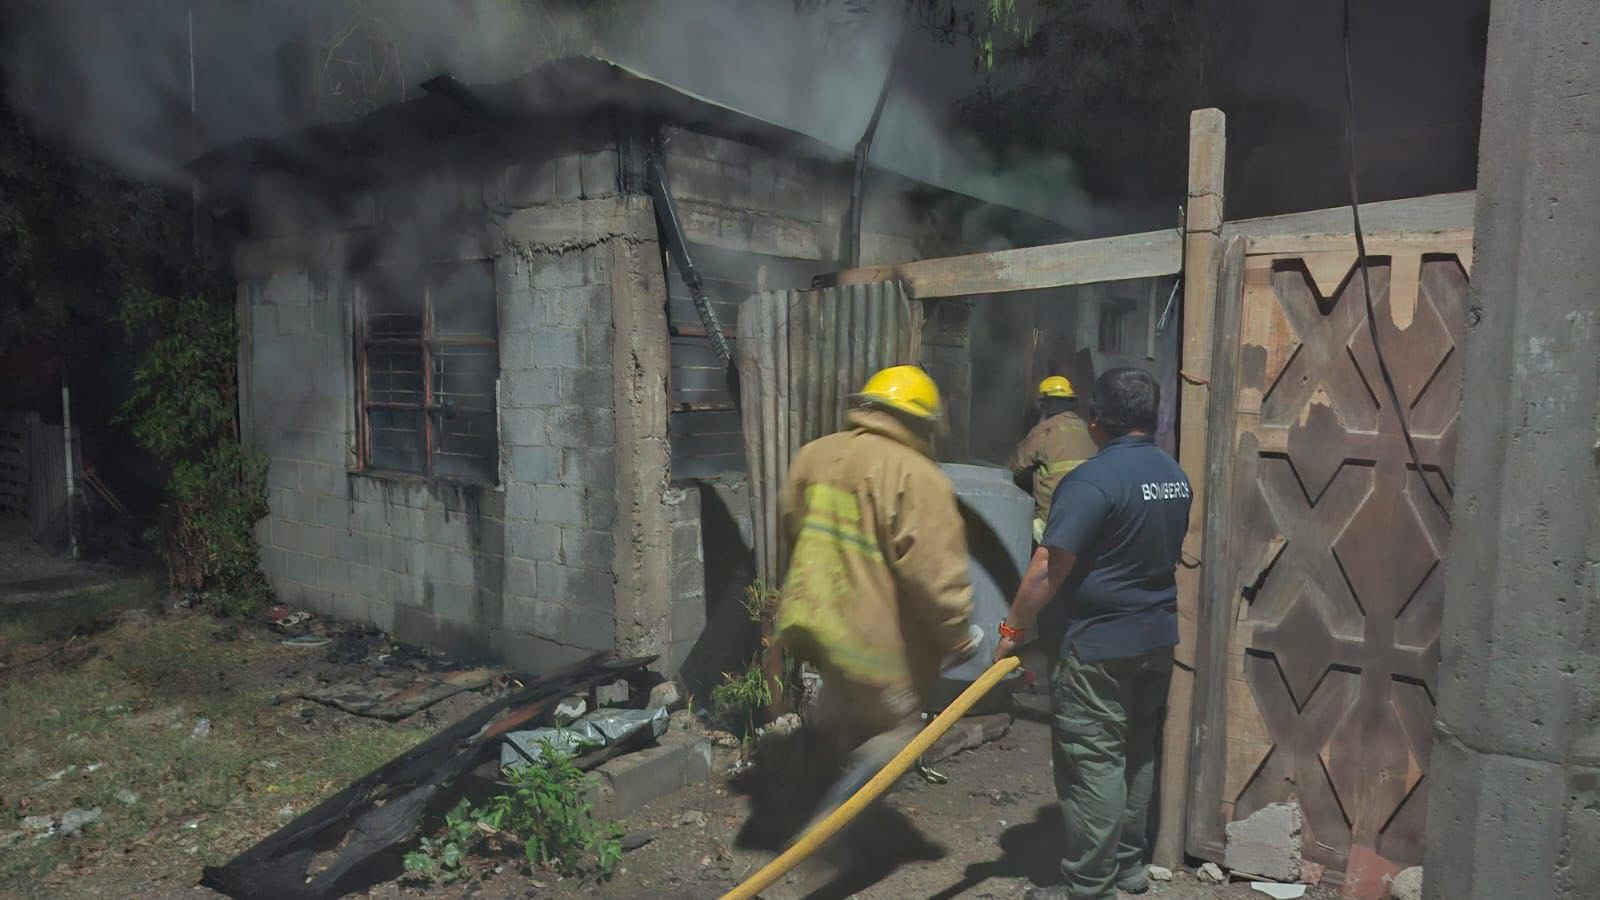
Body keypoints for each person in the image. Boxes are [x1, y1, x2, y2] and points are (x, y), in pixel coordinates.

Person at [770, 364, 980, 888]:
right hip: (869, 639)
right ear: (921, 423)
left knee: (841, 717)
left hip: (809, 619)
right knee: (899, 730)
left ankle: (793, 801)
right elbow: (937, 577)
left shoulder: (815, 454)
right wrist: (958, 635)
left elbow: (789, 523)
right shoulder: (917, 475)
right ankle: (819, 835)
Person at [993, 367, 1192, 900]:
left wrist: (1012, 629)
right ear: (1153, 418)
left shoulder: (1091, 480)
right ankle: (1128, 867)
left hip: (1099, 646)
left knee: (1093, 761)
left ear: (1096, 419)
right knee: (1138, 751)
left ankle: (1088, 886)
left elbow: (1045, 569)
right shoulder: (1175, 475)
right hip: (1156, 640)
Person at [1011, 375, 1099, 545]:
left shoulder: (1045, 430)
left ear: (1045, 403)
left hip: (1052, 521)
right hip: (1088, 518)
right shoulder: (1089, 430)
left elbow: (1015, 467)